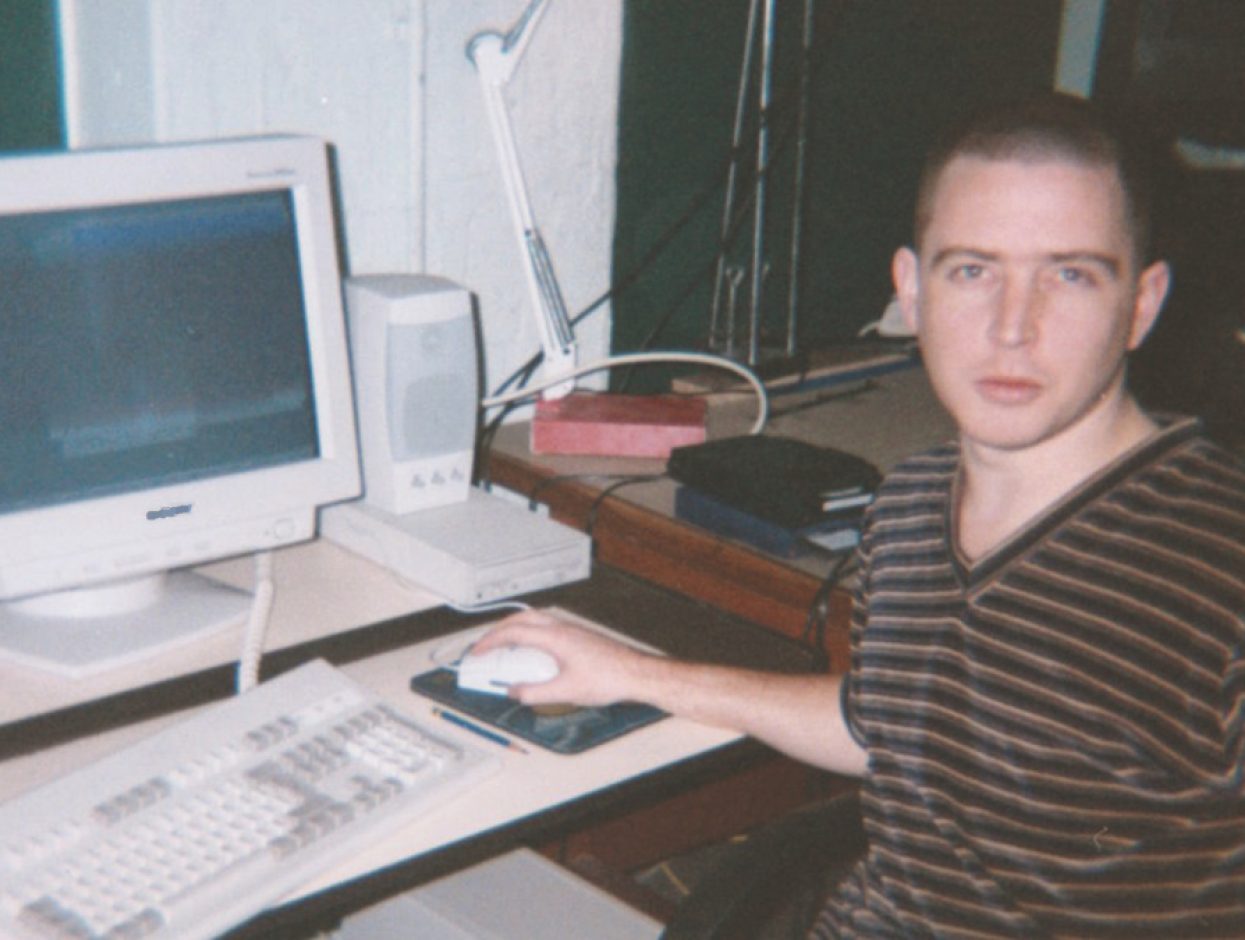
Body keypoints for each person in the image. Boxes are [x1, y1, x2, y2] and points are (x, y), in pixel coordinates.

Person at [474, 92, 1245, 938]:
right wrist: (633, 673)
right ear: (911, 292)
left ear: (1142, 303)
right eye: (974, 271)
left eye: (1069, 274)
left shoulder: (1216, 566)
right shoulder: (910, 509)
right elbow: (884, 722)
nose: (1012, 328)